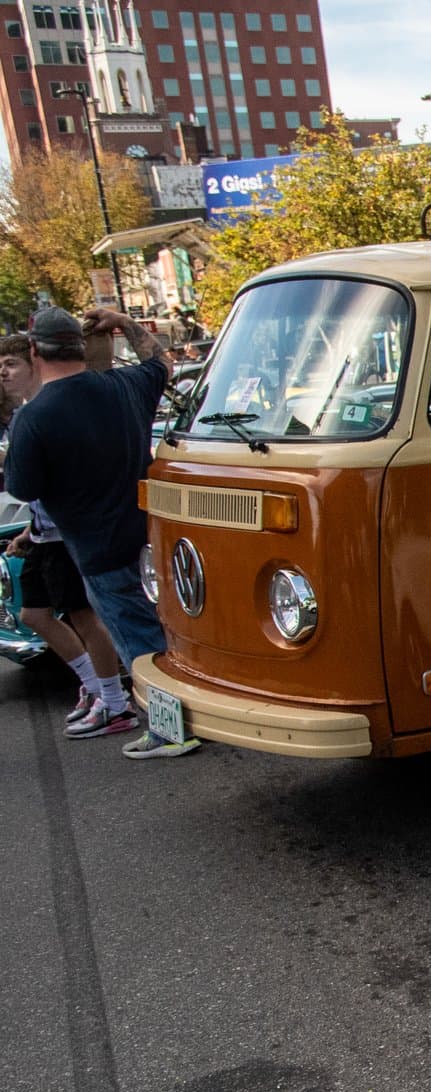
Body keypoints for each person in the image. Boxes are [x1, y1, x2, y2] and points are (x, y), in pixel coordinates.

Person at [3, 306, 201, 759]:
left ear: (35, 352)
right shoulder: (124, 385)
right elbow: (160, 363)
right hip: (151, 531)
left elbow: (23, 486)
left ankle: (173, 730)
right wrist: (126, 324)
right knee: (164, 627)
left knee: (140, 642)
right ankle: (186, 716)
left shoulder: (35, 418)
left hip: (96, 546)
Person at [0, 332, 131, 735]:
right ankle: (95, 689)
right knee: (34, 614)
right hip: (43, 532)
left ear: (34, 363)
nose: (3, 373)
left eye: (11, 364)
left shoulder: (43, 411)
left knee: (85, 617)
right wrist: (27, 530)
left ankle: (115, 704)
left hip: (65, 533)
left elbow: (41, 481)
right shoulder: (26, 413)